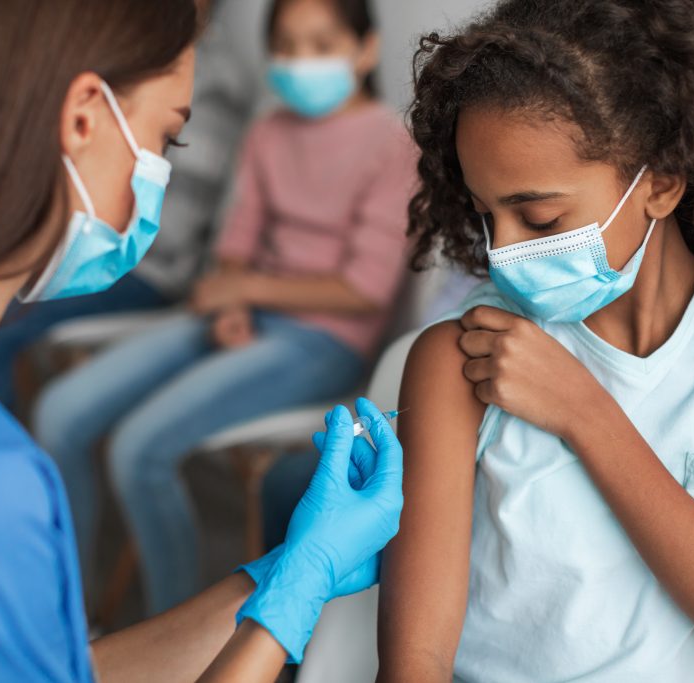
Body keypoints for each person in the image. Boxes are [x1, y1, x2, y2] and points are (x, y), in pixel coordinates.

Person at [0, 1, 404, 681]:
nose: (158, 179)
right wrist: (296, 598)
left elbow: (57, 670)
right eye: (167, 139)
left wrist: (277, 579)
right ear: (84, 117)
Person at [377, 1, 694, 681]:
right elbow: (417, 659)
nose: (504, 254)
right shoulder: (464, 358)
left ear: (662, 182)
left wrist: (585, 412)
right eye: (487, 215)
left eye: (539, 215)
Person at [33, 0, 416, 615]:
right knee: (60, 411)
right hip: (238, 316)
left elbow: (362, 288)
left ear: (365, 49)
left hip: (322, 342)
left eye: (321, 44)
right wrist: (230, 301)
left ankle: (172, 627)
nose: (300, 61)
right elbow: (237, 244)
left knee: (139, 450)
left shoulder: (391, 143)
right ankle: (67, 611)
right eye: (286, 46)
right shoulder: (269, 133)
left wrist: (245, 291)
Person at [0, 0, 272, 415]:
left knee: (0, 328)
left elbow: (168, 231)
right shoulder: (118, 53)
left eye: (171, 138)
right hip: (92, 239)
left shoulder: (214, 80)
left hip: (149, 271)